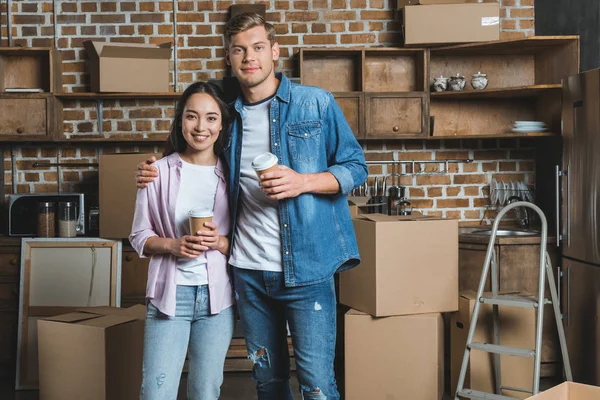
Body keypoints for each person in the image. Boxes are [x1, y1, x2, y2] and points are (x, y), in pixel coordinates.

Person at [136, 13, 367, 400]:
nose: (249, 57)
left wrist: (302, 182)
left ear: (275, 52)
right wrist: (152, 170)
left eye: (258, 47)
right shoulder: (227, 112)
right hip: (247, 271)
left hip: (307, 269)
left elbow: (356, 167)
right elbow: (192, 147)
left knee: (318, 385)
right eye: (239, 49)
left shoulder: (315, 103)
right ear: (229, 56)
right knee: (269, 381)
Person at [129, 81, 235, 400]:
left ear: (222, 124)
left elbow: (246, 243)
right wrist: (172, 246)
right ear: (180, 121)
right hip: (169, 297)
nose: (201, 126)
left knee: (205, 392)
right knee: (156, 392)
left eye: (211, 118)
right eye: (192, 116)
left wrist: (219, 242)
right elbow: (138, 236)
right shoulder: (157, 172)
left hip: (217, 300)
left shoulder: (233, 176)